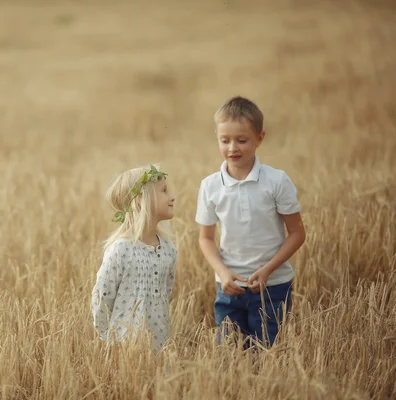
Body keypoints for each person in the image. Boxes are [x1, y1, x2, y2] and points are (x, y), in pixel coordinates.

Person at [195, 96, 306, 348]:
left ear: (260, 137)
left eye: (241, 140)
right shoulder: (210, 186)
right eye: (225, 141)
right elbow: (205, 238)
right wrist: (222, 273)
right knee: (229, 355)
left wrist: (268, 270)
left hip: (273, 287)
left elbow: (297, 234)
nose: (232, 147)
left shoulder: (277, 181)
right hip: (229, 287)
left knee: (267, 354)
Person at [91, 164, 177, 352]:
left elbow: (166, 292)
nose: (172, 197)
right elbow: (102, 298)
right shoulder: (120, 250)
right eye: (164, 191)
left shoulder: (169, 250)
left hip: (159, 345)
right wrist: (108, 338)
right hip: (124, 349)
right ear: (141, 199)